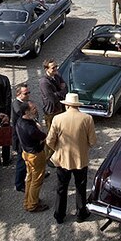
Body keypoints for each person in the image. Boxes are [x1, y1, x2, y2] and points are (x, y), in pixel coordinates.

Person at [46, 93, 97, 224]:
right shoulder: (87, 118)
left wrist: (58, 148)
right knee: (81, 187)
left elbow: (50, 140)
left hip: (63, 159)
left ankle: (59, 215)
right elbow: (92, 141)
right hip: (80, 159)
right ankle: (81, 213)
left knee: (61, 188)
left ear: (67, 105)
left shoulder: (58, 119)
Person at [14, 101, 49, 212]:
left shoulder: (20, 121)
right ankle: (33, 204)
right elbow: (44, 136)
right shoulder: (31, 129)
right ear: (27, 112)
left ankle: (28, 200)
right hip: (35, 155)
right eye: (33, 109)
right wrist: (39, 128)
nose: (36, 109)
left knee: (29, 178)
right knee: (37, 180)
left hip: (26, 153)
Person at [39, 59, 68, 137]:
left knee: (61, 130)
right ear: (46, 69)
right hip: (51, 111)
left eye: (56, 66)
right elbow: (51, 98)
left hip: (60, 107)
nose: (55, 69)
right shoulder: (44, 82)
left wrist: (59, 92)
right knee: (52, 132)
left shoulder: (57, 75)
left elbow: (66, 88)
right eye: (53, 67)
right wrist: (61, 91)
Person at [10, 84, 30, 192]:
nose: (28, 95)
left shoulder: (22, 103)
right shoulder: (16, 104)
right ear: (18, 94)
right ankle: (19, 183)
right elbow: (21, 114)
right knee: (21, 161)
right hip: (20, 139)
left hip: (24, 137)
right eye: (25, 93)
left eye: (28, 93)